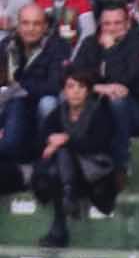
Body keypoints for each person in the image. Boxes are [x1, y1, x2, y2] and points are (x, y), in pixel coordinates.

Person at [31, 67, 118, 248]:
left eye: (81, 87)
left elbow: (97, 144)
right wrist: (51, 140)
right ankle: (66, 200)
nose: (76, 91)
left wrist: (66, 141)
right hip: (68, 174)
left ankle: (59, 229)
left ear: (88, 91)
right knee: (58, 164)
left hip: (94, 171)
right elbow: (43, 136)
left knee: (61, 157)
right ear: (64, 91)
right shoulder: (59, 112)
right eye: (71, 87)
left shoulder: (99, 112)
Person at [69, 2, 139, 173]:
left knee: (117, 100)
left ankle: (121, 164)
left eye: (117, 23)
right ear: (100, 24)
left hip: (135, 111)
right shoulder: (90, 43)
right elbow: (74, 77)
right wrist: (99, 88)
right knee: (70, 98)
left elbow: (124, 81)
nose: (112, 28)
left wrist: (111, 49)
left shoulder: (138, 42)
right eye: (107, 23)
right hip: (98, 105)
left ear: (128, 23)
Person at [0, 3, 73, 166]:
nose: (30, 29)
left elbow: (56, 85)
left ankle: (46, 159)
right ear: (18, 25)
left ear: (45, 26)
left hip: (39, 108)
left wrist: (21, 88)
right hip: (13, 105)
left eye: (36, 24)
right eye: (25, 23)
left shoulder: (58, 46)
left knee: (48, 102)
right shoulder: (6, 45)